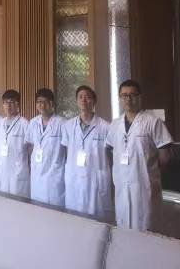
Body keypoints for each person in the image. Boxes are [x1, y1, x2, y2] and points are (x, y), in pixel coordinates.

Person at [106, 80, 172, 231]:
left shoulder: (152, 122)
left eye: (132, 95)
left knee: (146, 229)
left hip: (144, 186)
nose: (128, 99)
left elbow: (165, 155)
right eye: (124, 95)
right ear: (120, 98)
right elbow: (110, 151)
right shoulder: (114, 125)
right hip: (122, 185)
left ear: (139, 97)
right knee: (123, 229)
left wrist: (149, 173)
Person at [62, 85, 112, 220]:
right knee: (74, 220)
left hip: (95, 179)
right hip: (74, 177)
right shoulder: (67, 126)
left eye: (88, 97)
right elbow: (66, 152)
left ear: (94, 101)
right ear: (76, 101)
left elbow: (110, 155)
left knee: (97, 221)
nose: (84, 100)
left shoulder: (105, 127)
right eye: (80, 97)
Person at [25, 88, 66, 206]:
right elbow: (30, 145)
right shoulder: (33, 122)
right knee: (37, 209)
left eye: (44, 102)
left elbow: (67, 148)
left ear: (51, 103)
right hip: (37, 173)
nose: (41, 105)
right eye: (38, 102)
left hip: (54, 174)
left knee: (54, 209)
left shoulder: (62, 123)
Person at [0, 89, 30, 197]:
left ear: (17, 104)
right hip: (2, 170)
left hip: (18, 172)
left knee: (17, 202)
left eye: (11, 102)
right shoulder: (0, 123)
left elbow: (31, 149)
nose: (8, 106)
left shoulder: (24, 124)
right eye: (6, 102)